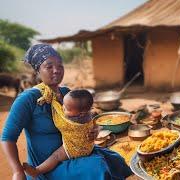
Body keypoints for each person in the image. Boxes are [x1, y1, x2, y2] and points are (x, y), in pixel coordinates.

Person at [1, 44, 132, 180]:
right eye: (49, 66)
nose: (56, 70)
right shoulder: (28, 99)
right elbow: (7, 138)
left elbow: (85, 116)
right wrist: (17, 171)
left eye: (60, 65)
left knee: (114, 159)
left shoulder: (67, 94)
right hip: (46, 166)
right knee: (97, 167)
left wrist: (94, 130)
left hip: (73, 151)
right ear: (37, 71)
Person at [23, 89, 95, 178]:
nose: (63, 107)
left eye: (67, 108)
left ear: (81, 114)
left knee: (56, 156)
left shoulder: (72, 121)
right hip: (89, 145)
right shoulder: (87, 114)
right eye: (63, 104)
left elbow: (58, 118)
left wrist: (53, 101)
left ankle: (37, 171)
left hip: (76, 149)